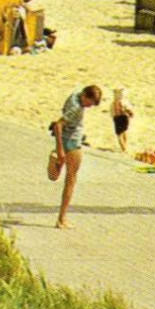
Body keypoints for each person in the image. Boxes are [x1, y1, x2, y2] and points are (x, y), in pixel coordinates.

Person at [49, 84, 102, 229]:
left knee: (54, 176)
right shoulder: (77, 109)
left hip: (67, 138)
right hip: (72, 141)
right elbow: (58, 125)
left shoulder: (74, 95)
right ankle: (62, 219)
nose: (89, 107)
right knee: (71, 179)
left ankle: (56, 160)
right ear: (85, 96)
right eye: (89, 103)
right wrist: (60, 149)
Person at [110, 87, 134, 151]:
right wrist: (131, 114)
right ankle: (125, 146)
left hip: (117, 118)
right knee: (124, 131)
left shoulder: (113, 103)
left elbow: (112, 113)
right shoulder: (124, 102)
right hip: (124, 117)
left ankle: (123, 148)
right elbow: (128, 109)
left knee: (119, 134)